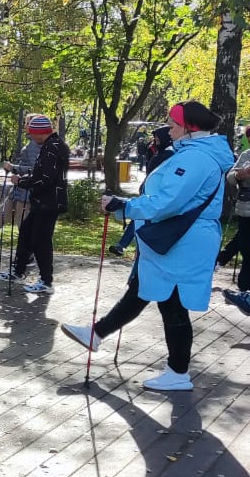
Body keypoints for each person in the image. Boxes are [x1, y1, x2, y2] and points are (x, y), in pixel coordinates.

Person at [62, 100, 231, 391]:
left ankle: (178, 373)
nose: (169, 127)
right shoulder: (194, 152)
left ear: (189, 127)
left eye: (173, 123)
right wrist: (126, 207)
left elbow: (168, 201)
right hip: (178, 240)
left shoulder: (196, 158)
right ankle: (97, 334)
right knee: (146, 290)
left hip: (183, 241)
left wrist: (125, 207)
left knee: (172, 303)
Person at [0, 115, 69, 293]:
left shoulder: (52, 148)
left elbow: (45, 179)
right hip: (42, 201)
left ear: (39, 133)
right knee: (26, 233)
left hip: (49, 202)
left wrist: (21, 182)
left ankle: (46, 281)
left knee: (40, 240)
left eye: (32, 133)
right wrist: (25, 178)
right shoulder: (51, 145)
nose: (30, 136)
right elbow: (42, 174)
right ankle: (18, 271)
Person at [109, 124, 174, 257]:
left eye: (157, 138)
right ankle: (124, 246)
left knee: (140, 217)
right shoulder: (158, 152)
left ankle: (124, 245)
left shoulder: (169, 155)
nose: (155, 141)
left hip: (155, 196)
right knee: (138, 218)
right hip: (148, 192)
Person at [0, 133, 38, 243]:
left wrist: (13, 168)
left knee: (23, 227)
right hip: (17, 191)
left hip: (26, 194)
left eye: (28, 124)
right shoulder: (32, 143)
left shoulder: (35, 144)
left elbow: (35, 169)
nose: (26, 126)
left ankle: (27, 252)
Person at [219, 138, 250, 308]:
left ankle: (244, 290)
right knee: (245, 246)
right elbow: (230, 177)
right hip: (246, 209)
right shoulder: (247, 155)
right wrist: (239, 174)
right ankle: (244, 291)